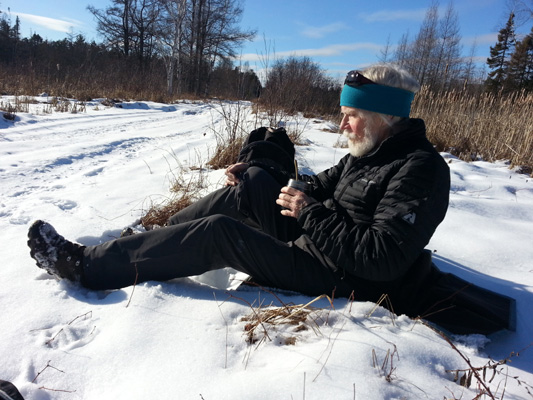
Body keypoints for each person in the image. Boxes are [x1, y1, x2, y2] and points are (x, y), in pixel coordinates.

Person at [27, 64, 514, 335]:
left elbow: (382, 259)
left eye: (350, 116)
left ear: (385, 116)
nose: (341, 126)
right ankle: (152, 240)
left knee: (220, 234)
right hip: (318, 246)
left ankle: (86, 267)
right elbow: (321, 185)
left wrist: (311, 213)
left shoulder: (420, 169)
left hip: (345, 278)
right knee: (255, 183)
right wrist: (285, 184)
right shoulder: (370, 152)